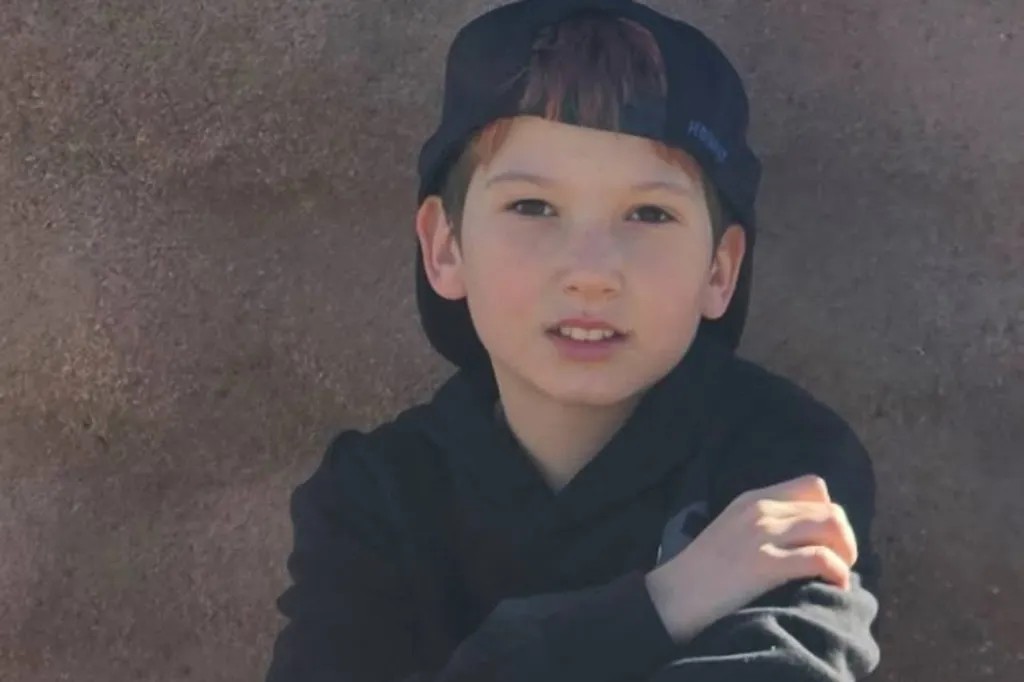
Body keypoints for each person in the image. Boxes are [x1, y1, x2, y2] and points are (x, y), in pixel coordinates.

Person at [264, 0, 883, 680]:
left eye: (649, 213)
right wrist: (661, 602)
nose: (591, 272)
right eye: (533, 207)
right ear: (444, 247)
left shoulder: (781, 468)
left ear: (720, 270)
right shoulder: (376, 499)